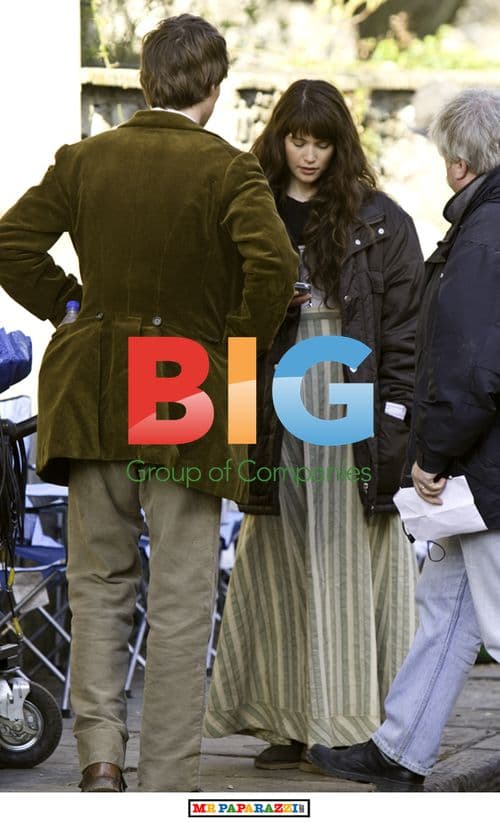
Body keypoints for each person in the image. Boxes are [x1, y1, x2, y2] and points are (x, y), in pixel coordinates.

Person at [0, 14, 297, 792]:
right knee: (181, 599)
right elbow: (275, 267)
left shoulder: (86, 158)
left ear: (144, 81)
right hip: (189, 400)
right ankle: (166, 775)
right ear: (215, 84)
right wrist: (233, 357)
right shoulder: (230, 171)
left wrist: (70, 307)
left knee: (98, 584)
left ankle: (99, 759)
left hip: (91, 395)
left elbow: (10, 242)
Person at [204, 79, 425, 766]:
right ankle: (289, 717)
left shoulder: (382, 219)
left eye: (321, 141)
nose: (308, 154)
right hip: (272, 398)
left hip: (345, 393)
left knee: (340, 551)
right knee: (275, 558)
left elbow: (407, 335)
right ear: (280, 138)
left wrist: (393, 427)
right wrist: (237, 420)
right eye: (297, 139)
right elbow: (228, 327)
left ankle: (352, 721)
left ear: (340, 143)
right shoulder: (251, 210)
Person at [309, 87, 500, 792]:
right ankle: (399, 750)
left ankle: (398, 749)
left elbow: (474, 368)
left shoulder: (484, 237)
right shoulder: (485, 228)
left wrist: (433, 456)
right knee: (446, 607)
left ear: (456, 163)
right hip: (484, 467)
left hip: (485, 468)